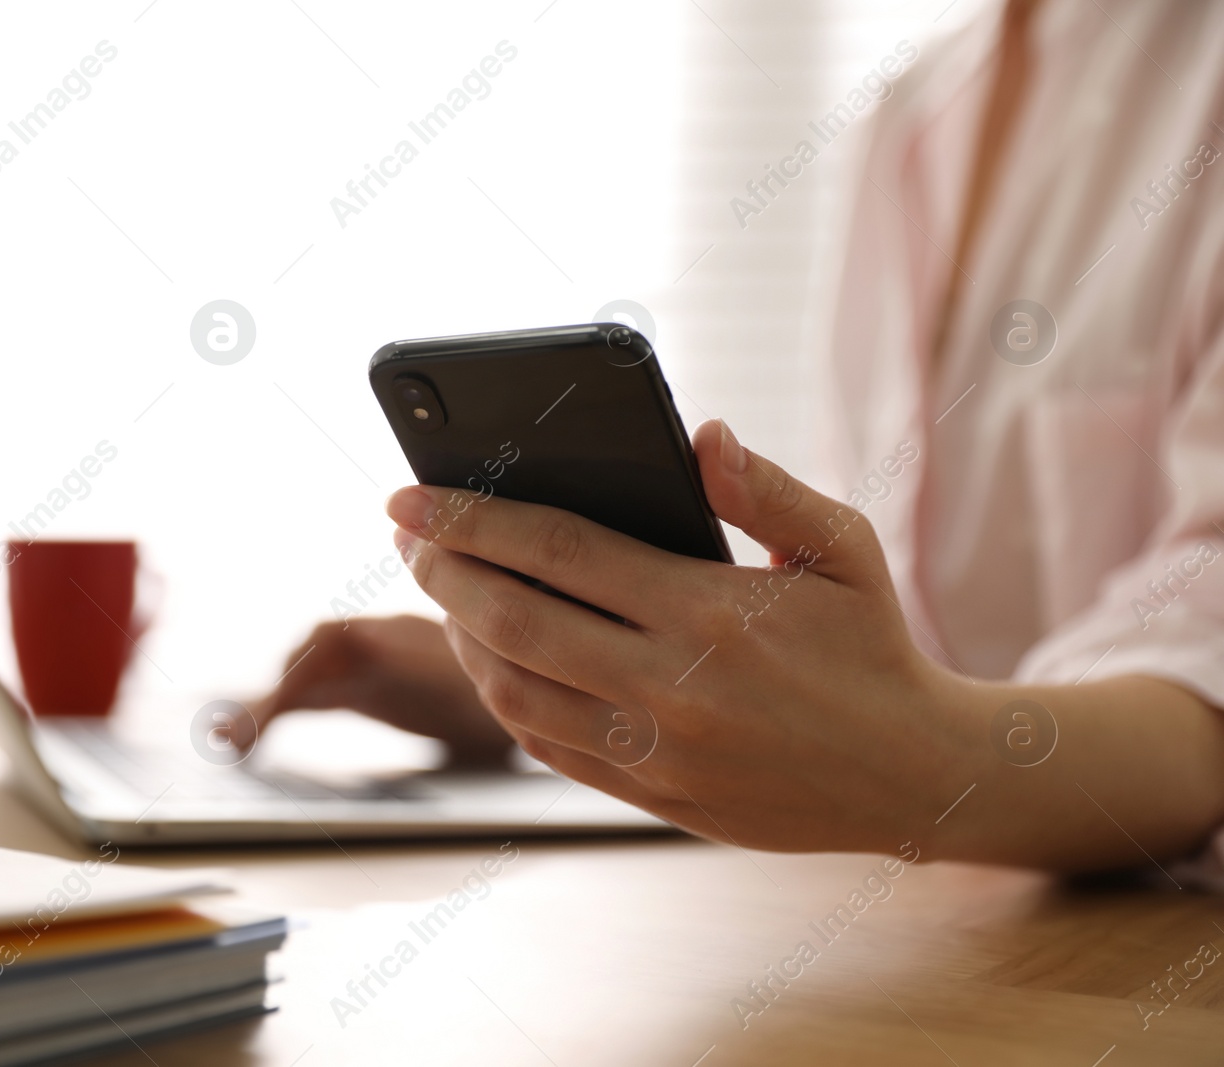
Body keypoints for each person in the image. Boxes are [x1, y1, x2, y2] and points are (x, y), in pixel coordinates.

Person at [253, 0, 1224, 874]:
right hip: (941, 935)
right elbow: (909, 668)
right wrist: (570, 687)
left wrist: (925, 758)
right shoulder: (913, 112)